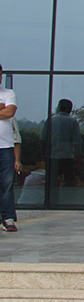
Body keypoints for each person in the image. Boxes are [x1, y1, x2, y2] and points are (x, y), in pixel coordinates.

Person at [41, 99, 83, 187]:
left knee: (51, 184)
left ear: (59, 108)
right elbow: (77, 143)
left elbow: (43, 140)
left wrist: (44, 155)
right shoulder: (73, 122)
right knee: (69, 183)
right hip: (68, 157)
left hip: (52, 156)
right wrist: (78, 157)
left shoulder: (50, 120)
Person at [0, 64, 18, 232]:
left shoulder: (8, 93)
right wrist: (1, 107)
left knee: (6, 183)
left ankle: (7, 218)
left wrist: (5, 108)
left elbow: (10, 112)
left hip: (5, 147)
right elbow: (4, 111)